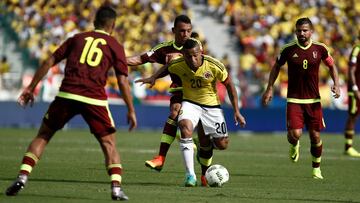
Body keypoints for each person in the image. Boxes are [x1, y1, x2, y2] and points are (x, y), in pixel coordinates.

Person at [5, 6, 137, 201]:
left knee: (43, 135)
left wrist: (31, 88)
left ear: (94, 22)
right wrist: (131, 110)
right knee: (109, 144)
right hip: (94, 98)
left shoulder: (77, 38)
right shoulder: (114, 45)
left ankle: (23, 177)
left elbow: (49, 61)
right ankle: (116, 189)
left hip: (67, 93)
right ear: (113, 25)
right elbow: (123, 81)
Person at [136, 38, 246, 186]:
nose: (193, 59)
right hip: (190, 103)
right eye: (188, 56)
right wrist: (153, 77)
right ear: (183, 55)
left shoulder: (214, 65)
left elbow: (230, 86)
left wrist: (237, 111)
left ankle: (202, 147)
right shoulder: (178, 64)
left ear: (201, 52)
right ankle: (190, 176)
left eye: (195, 55)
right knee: (184, 127)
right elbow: (168, 67)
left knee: (222, 144)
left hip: (211, 106)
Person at [262, 17, 341, 180]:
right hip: (294, 99)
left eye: (305, 30)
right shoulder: (288, 49)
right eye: (299, 31)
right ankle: (294, 145)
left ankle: (316, 169)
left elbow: (332, 66)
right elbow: (276, 66)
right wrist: (269, 88)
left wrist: (337, 84)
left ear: (311, 31)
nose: (301, 33)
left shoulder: (320, 49)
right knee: (295, 135)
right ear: (295, 32)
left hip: (313, 101)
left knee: (315, 136)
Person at [126, 15, 192, 172]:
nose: (185, 34)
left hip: (199, 91)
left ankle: (202, 164)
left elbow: (193, 62)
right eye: (182, 31)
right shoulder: (163, 49)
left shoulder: (194, 45)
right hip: (180, 89)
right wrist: (114, 59)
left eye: (189, 31)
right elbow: (140, 59)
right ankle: (160, 158)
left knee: (216, 142)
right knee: (174, 114)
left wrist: (177, 58)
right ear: (173, 30)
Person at [343, 35, 360, 157]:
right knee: (353, 115)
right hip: (355, 89)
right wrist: (354, 88)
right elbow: (351, 70)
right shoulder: (357, 49)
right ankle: (348, 146)